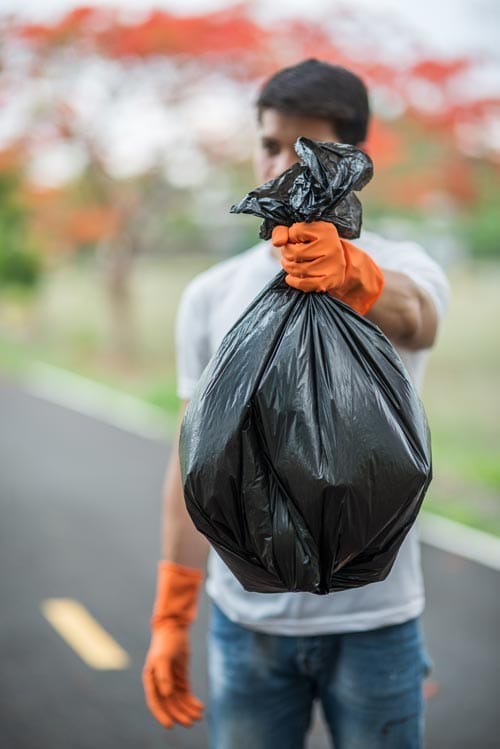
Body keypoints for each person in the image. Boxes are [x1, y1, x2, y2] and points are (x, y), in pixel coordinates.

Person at [142, 59, 449, 749]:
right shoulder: (212, 294)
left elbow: (417, 315)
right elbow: (195, 459)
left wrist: (355, 273)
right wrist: (172, 610)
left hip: (378, 624)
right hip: (244, 620)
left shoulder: (407, 265)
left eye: (307, 147)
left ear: (353, 156)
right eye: (271, 143)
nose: (283, 163)